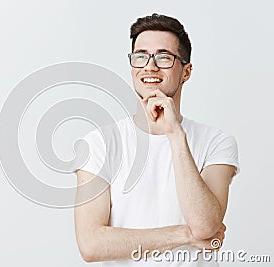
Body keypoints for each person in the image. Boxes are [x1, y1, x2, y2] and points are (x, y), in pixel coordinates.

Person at [74, 13, 240, 266]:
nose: (149, 67)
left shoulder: (217, 142)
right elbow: (91, 245)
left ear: (186, 71)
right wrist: (184, 234)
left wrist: (175, 134)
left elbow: (205, 226)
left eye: (163, 57)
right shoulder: (99, 143)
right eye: (140, 56)